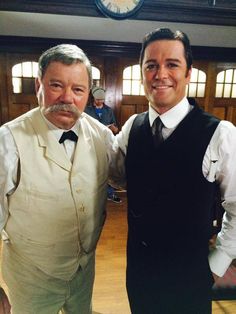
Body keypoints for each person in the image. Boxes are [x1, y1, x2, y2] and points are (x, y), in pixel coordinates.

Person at [111, 28, 236, 313]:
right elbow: (116, 174)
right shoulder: (133, 126)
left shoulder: (221, 133)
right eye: (151, 66)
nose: (160, 74)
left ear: (189, 73)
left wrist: (219, 262)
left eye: (172, 64)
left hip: (190, 277)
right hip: (139, 273)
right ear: (143, 73)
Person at [0, 44, 114, 314]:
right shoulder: (9, 140)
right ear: (39, 85)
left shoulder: (102, 136)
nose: (67, 97)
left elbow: (128, 180)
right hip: (32, 274)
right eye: (56, 85)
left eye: (78, 89)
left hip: (84, 269)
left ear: (88, 93)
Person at [85, 87, 122, 204]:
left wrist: (113, 128)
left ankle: (110, 193)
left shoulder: (109, 111)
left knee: (107, 168)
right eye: (98, 99)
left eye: (102, 99)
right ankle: (93, 194)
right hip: (90, 143)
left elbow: (116, 129)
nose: (100, 101)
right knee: (91, 168)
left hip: (106, 143)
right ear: (93, 98)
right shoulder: (86, 110)